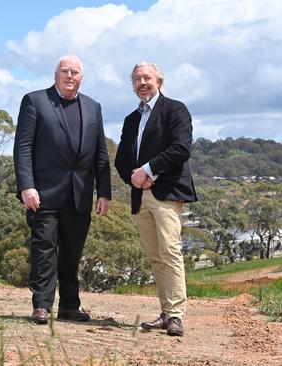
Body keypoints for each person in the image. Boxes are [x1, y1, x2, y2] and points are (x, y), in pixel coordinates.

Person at [14, 54, 111, 325]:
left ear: (82, 77)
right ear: (56, 74)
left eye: (75, 72)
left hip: (80, 195)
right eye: (65, 71)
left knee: (72, 253)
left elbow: (100, 154)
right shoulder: (35, 101)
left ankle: (70, 306)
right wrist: (26, 186)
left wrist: (104, 192)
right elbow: (22, 147)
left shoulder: (93, 107)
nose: (70, 76)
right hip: (43, 193)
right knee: (44, 249)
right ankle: (42, 306)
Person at [114, 62, 197, 336]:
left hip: (167, 193)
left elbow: (181, 148)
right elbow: (121, 160)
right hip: (141, 197)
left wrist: (149, 171)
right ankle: (165, 312)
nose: (142, 83)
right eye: (137, 79)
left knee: (170, 252)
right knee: (155, 257)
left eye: (147, 78)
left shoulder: (175, 109)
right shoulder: (130, 119)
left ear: (159, 81)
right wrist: (135, 177)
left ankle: (176, 316)